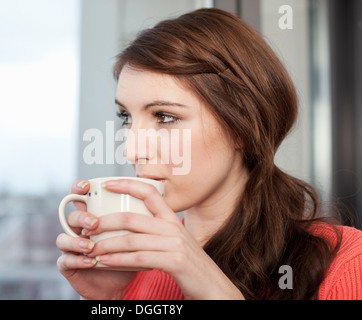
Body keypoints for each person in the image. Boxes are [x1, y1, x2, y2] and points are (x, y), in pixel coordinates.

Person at [56, 8, 362, 299]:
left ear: (242, 127)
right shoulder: (135, 268)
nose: (132, 151)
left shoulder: (346, 264)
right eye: (126, 117)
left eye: (165, 117)